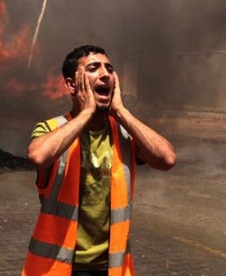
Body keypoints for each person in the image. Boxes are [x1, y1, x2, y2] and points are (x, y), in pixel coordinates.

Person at [22, 45, 177, 276]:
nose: (106, 74)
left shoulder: (123, 133)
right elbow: (38, 156)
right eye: (94, 68)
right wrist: (85, 113)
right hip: (58, 268)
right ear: (72, 85)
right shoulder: (52, 129)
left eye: (109, 68)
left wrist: (121, 112)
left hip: (111, 268)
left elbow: (167, 159)